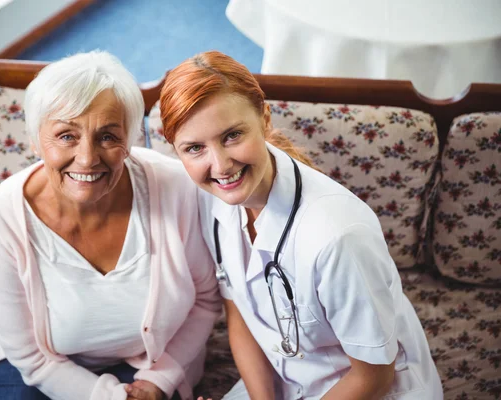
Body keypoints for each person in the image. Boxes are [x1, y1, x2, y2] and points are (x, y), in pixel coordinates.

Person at [158, 51, 444, 400]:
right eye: (194, 148)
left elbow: (373, 379)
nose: (219, 165)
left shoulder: (338, 238)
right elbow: (239, 311)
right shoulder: (209, 196)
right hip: (283, 383)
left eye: (232, 135)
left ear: (264, 118)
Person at [0, 51, 221, 400]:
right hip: (33, 363)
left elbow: (205, 301)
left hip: (151, 360)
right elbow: (29, 355)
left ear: (130, 141)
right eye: (66, 136)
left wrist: (157, 382)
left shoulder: (176, 187)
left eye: (107, 137)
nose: (87, 158)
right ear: (35, 139)